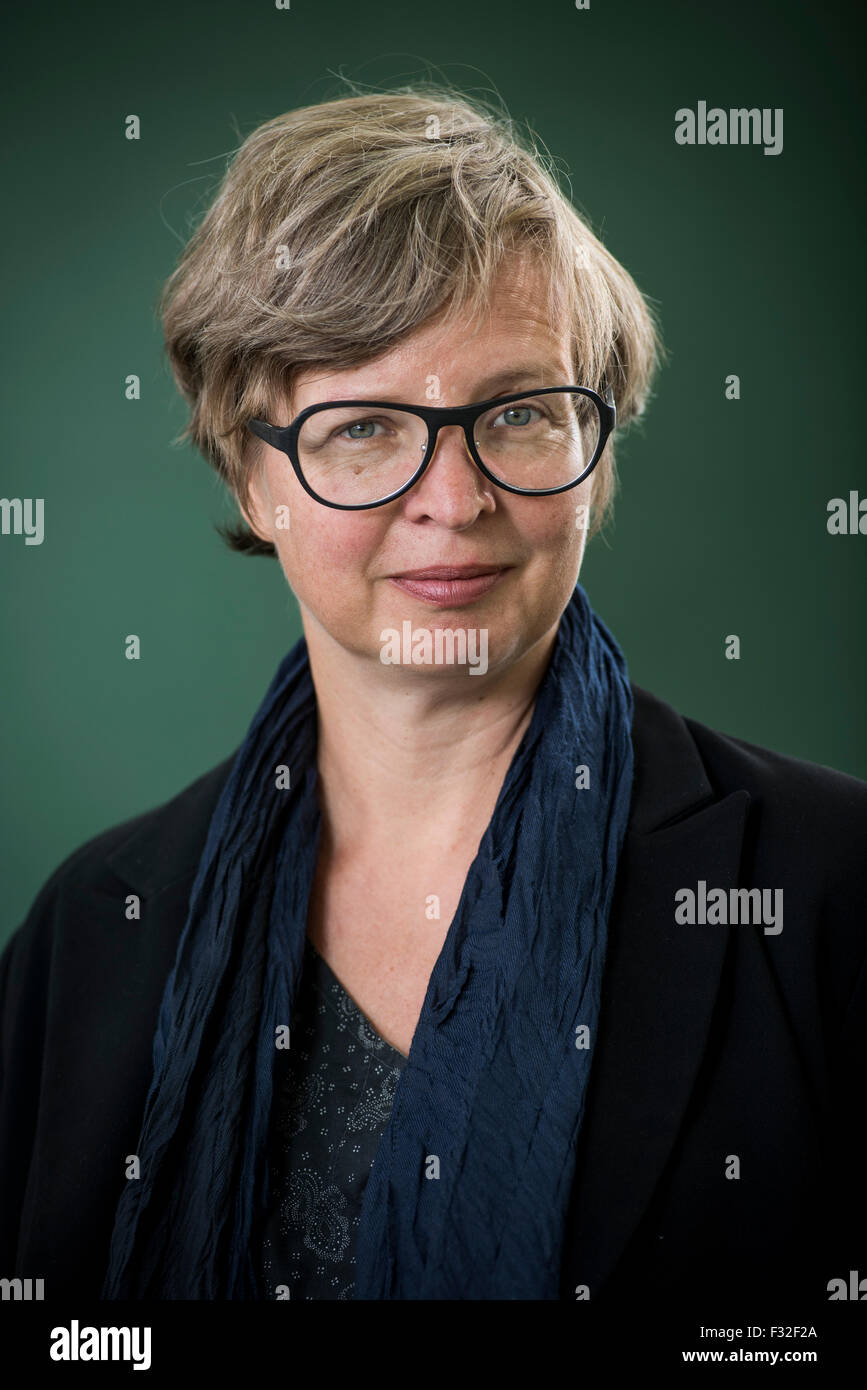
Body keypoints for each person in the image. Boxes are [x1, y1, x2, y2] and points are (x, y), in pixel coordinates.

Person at [1, 84, 864, 1311]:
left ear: (595, 446)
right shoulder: (90, 929)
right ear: (255, 481)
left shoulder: (830, 889)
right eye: (363, 428)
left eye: (516, 413)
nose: (452, 501)